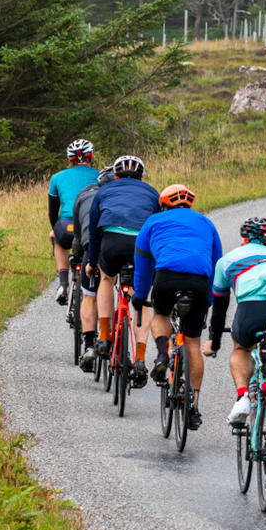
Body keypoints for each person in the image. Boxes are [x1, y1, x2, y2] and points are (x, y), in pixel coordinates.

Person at [133, 184, 224, 430]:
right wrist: (211, 299)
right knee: (193, 341)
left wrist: (139, 296)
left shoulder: (153, 222)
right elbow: (217, 261)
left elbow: (141, 262)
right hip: (200, 282)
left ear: (163, 204)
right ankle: (194, 406)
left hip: (166, 278)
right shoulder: (206, 223)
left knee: (161, 314)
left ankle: (163, 354)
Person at [208, 217, 266, 434]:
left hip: (251, 309)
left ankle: (242, 397)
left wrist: (214, 342)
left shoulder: (227, 260)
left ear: (244, 239)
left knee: (241, 349)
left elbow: (220, 307)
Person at [83, 155, 160, 385]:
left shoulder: (103, 191)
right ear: (141, 177)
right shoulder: (151, 193)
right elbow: (157, 228)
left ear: (115, 176)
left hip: (112, 243)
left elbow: (94, 232)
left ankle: (105, 336)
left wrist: (91, 261)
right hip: (140, 245)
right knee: (141, 296)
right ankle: (139, 359)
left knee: (106, 280)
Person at [69, 162, 111, 370]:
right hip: (119, 249)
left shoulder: (84, 196)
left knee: (90, 295)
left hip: (90, 248)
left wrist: (75, 258)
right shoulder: (120, 197)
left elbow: (78, 235)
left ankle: (88, 346)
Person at [45, 140, 98, 307]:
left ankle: (63, 283)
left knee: (57, 238)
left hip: (67, 226)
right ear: (92, 157)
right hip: (92, 225)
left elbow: (52, 213)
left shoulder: (57, 178)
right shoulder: (100, 176)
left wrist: (56, 229)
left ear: (70, 160)